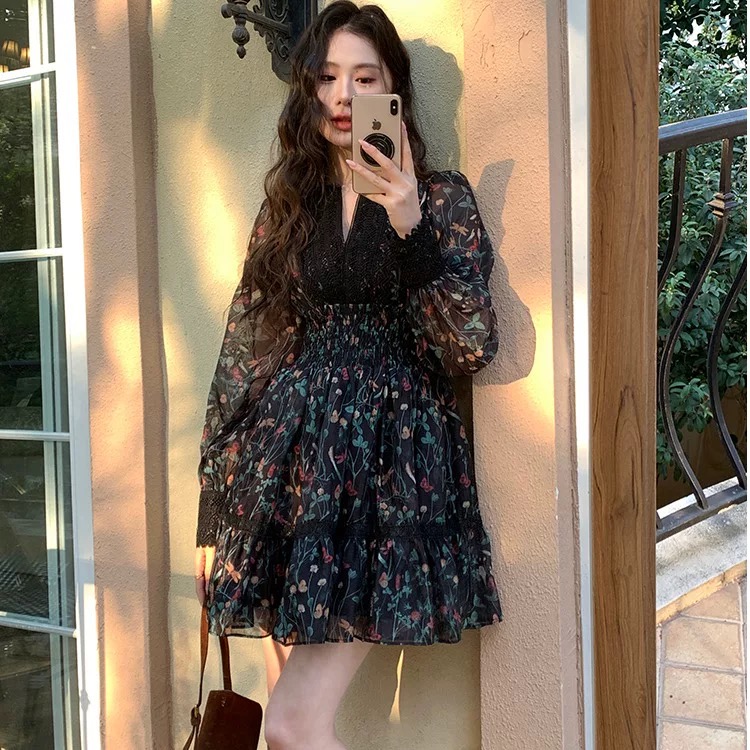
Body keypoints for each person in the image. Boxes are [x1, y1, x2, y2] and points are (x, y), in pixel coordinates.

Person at [192, 2, 504, 747]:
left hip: (385, 478)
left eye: (364, 79)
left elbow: (470, 346)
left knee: (291, 726)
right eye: (327, 77)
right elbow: (246, 353)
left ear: (393, 90)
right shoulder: (290, 206)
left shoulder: (440, 199)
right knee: (288, 716)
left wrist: (409, 224)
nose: (342, 95)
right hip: (290, 475)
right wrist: (214, 509)